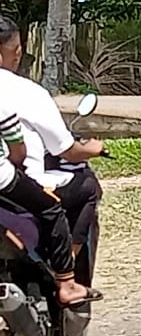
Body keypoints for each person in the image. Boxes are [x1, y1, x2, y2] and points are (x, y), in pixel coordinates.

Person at [0, 16, 104, 283]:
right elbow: (64, 150)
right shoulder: (26, 92)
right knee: (83, 190)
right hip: (10, 182)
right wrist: (92, 148)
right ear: (13, 52)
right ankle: (65, 277)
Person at [0, 96, 102, 307]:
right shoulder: (13, 97)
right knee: (51, 208)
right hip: (4, 180)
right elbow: (18, 149)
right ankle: (67, 283)